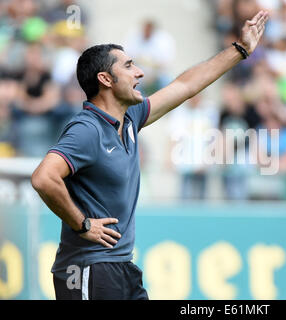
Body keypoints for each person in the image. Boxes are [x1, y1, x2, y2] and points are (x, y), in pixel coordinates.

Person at [30, 10, 269, 300]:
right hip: (86, 271)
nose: (140, 72)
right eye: (129, 66)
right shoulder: (87, 129)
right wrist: (83, 224)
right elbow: (44, 178)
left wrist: (239, 50)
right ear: (105, 79)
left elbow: (186, 85)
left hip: (120, 267)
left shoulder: (130, 118)